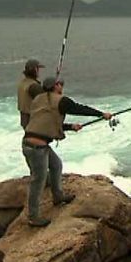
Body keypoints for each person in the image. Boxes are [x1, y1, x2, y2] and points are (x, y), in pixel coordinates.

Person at [22, 76, 112, 227]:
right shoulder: (61, 101)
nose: (62, 86)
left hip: (31, 143)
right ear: (56, 86)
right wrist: (102, 114)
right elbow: (79, 108)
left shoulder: (38, 100)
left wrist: (70, 127)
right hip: (37, 148)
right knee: (38, 181)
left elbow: (45, 121)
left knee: (56, 165)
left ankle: (58, 197)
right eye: (61, 84)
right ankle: (33, 217)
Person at [17, 59, 45, 129]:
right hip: (33, 122)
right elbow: (47, 100)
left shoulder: (22, 83)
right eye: (38, 69)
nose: (39, 71)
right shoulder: (34, 86)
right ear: (35, 70)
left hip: (25, 121)